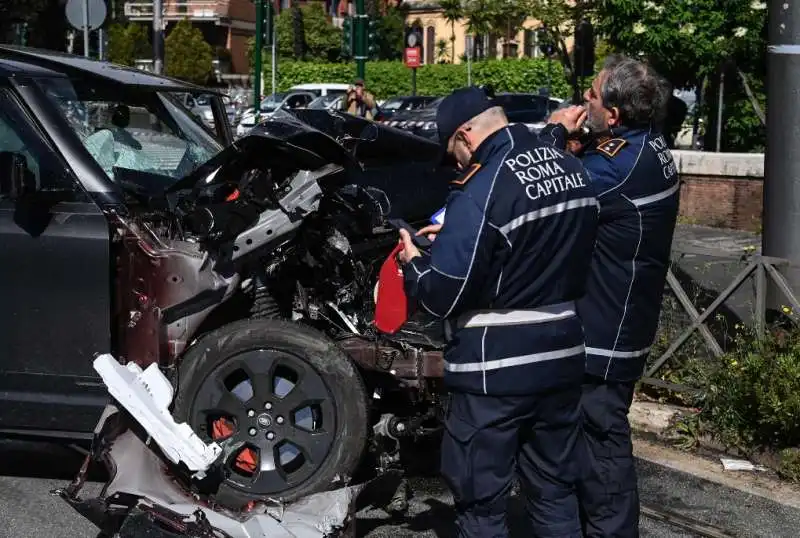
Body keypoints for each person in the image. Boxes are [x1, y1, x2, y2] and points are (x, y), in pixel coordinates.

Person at [396, 86, 599, 538]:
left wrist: (415, 264)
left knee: (481, 506)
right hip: (564, 356)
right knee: (555, 496)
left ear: (466, 136)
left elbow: (441, 295)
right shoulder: (571, 167)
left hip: (495, 371)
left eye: (453, 152)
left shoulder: (479, 188)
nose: (457, 163)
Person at [540, 54, 679, 537]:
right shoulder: (646, 146)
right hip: (622, 318)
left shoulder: (616, 167)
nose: (584, 100)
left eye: (592, 96)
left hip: (605, 330)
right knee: (591, 443)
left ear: (614, 115)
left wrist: (554, 135)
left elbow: (547, 192)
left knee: (602, 449)